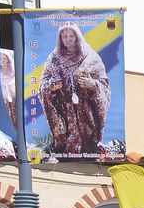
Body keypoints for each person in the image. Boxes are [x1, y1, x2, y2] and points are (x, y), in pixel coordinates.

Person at [39, 23, 111, 156]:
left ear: (77, 36)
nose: (68, 39)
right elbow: (43, 84)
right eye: (64, 36)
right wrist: (51, 85)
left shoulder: (91, 56)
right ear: (60, 38)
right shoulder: (54, 59)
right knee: (66, 147)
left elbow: (104, 84)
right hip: (64, 111)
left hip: (86, 111)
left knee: (88, 147)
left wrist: (92, 84)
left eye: (71, 35)